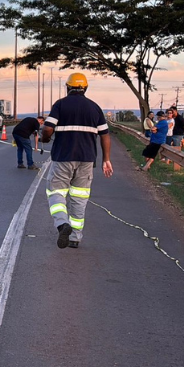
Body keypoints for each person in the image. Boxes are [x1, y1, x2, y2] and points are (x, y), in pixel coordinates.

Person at [40, 72, 113, 249]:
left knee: (56, 192)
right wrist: (106, 159)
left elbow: (47, 129)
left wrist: (45, 138)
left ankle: (62, 223)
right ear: (85, 88)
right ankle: (75, 237)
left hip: (63, 157)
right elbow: (105, 135)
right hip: (87, 159)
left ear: (68, 87)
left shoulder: (60, 104)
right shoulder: (94, 108)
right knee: (80, 198)